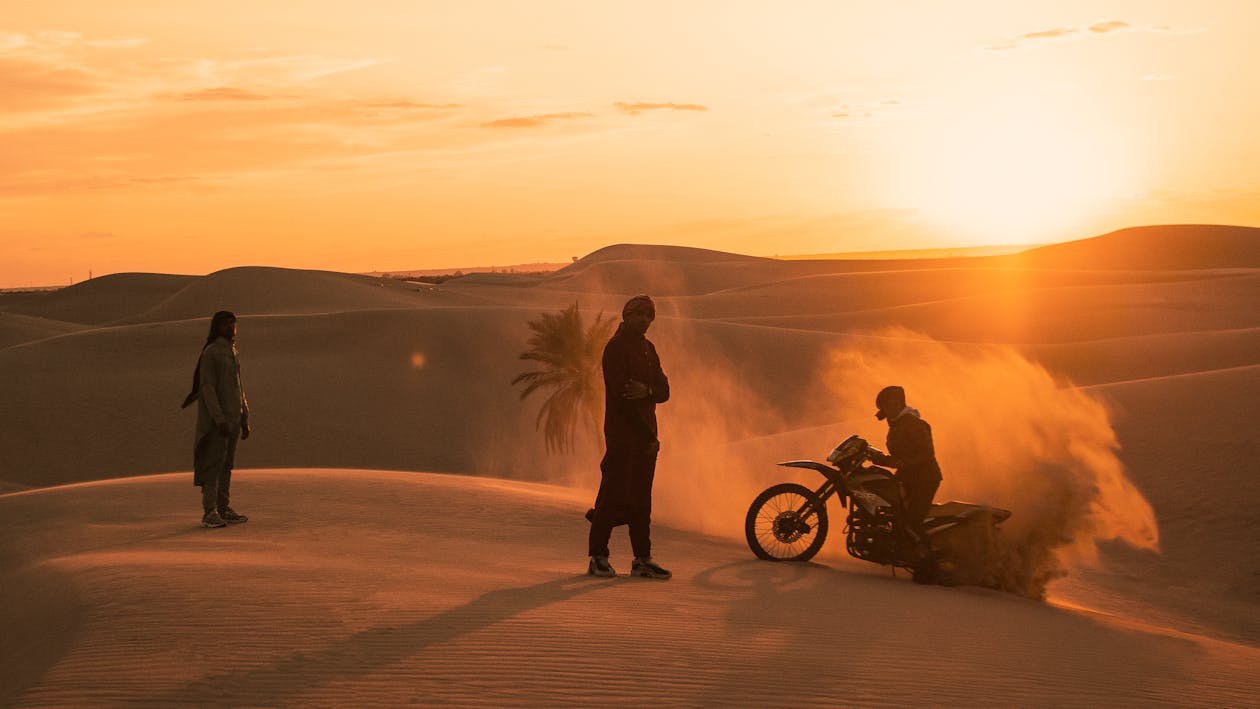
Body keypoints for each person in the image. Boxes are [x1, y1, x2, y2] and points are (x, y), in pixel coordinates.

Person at [587, 295, 672, 579]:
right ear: (626, 315)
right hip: (623, 435)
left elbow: (663, 391)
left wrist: (647, 391)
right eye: (640, 315)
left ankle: (642, 559)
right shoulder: (615, 349)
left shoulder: (648, 349)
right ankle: (598, 557)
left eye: (650, 316)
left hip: (647, 438)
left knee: (641, 500)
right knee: (612, 495)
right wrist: (648, 431)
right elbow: (623, 395)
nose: (645, 321)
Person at [181, 311, 251, 528]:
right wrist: (218, 419)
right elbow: (207, 389)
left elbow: (238, 388)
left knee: (227, 465)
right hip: (216, 422)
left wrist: (244, 417)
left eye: (233, 323)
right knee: (213, 464)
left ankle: (223, 507)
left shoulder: (232, 351)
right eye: (225, 324)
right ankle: (209, 511)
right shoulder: (212, 352)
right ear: (216, 327)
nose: (230, 327)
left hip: (232, 419)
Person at [868, 385, 941, 551]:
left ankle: (929, 564)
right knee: (894, 516)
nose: (891, 407)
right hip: (906, 477)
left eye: (895, 404)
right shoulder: (896, 424)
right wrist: (876, 457)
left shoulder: (914, 424)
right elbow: (897, 459)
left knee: (912, 522)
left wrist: (903, 463)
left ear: (901, 404)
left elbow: (927, 453)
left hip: (925, 479)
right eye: (888, 405)